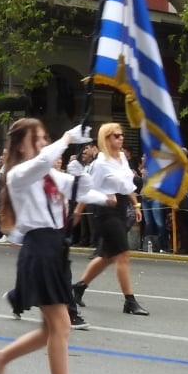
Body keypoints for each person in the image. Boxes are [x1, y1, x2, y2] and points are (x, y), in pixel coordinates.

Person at [0, 119, 95, 374]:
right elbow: (44, 160)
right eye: (37, 138)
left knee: (50, 329)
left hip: (55, 248)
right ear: (21, 144)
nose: (43, 143)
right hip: (40, 250)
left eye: (45, 137)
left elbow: (80, 191)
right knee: (61, 325)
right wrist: (66, 138)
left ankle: (2, 357)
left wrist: (94, 184)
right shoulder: (19, 173)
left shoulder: (47, 173)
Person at [71, 122, 150, 316]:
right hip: (104, 210)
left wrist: (136, 204)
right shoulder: (100, 163)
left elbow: (127, 184)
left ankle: (78, 288)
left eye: (121, 135)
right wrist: (78, 212)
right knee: (123, 253)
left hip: (121, 206)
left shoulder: (122, 157)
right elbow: (87, 188)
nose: (121, 138)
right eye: (116, 135)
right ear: (106, 139)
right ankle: (129, 301)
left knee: (107, 256)